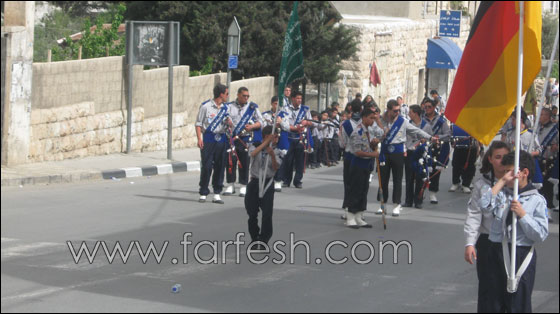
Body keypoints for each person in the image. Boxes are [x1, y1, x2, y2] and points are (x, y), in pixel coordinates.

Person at [479, 150, 548, 313]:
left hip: (521, 253)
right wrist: (501, 181)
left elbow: (540, 234)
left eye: (510, 172)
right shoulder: (502, 194)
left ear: (524, 173)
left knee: (518, 304)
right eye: (504, 172)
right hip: (497, 250)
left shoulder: (536, 200)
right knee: (492, 302)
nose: (506, 175)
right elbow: (484, 206)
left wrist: (523, 215)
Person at [464, 141, 511, 313]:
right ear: (490, 159)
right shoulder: (481, 184)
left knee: (512, 291)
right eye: (497, 157)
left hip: (511, 242)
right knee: (489, 291)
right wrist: (469, 243)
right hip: (488, 241)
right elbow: (474, 214)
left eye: (505, 157)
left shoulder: (517, 183)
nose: (501, 161)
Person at [377, 99, 432, 216]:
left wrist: (430, 137)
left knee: (397, 179)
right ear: (388, 110)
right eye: (395, 110)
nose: (397, 112)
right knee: (383, 180)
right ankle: (382, 204)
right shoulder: (381, 120)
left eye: (399, 110)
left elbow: (416, 130)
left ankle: (396, 205)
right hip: (384, 152)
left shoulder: (403, 121)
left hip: (397, 152)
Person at [245, 125, 286, 250]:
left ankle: (264, 239)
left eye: (277, 137)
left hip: (268, 183)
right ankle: (254, 237)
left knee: (267, 213)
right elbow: (252, 154)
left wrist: (272, 155)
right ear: (266, 137)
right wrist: (265, 144)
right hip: (255, 182)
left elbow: (276, 167)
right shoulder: (255, 144)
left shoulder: (278, 151)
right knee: (252, 213)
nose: (276, 139)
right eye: (274, 137)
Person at [224, 87, 264, 197]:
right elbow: (223, 118)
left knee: (244, 162)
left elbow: (261, 122)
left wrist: (252, 126)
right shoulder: (229, 106)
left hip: (245, 138)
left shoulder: (252, 107)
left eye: (247, 96)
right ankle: (230, 184)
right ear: (238, 95)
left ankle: (243, 185)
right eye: (244, 96)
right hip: (232, 138)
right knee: (230, 161)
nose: (246, 98)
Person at [345, 108, 381, 228]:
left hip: (367, 164)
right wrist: (373, 154)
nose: (372, 120)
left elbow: (367, 146)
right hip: (358, 164)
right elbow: (357, 152)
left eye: (373, 118)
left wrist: (374, 144)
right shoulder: (358, 131)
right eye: (371, 118)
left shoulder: (369, 130)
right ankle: (350, 217)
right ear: (364, 117)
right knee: (355, 190)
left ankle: (359, 215)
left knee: (363, 191)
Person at [195, 84, 230, 204]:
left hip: (222, 138)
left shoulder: (226, 108)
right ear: (221, 94)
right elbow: (199, 124)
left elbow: (231, 124)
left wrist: (230, 123)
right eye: (226, 93)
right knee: (207, 166)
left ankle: (217, 193)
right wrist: (199, 139)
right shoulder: (205, 106)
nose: (227, 96)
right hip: (209, 138)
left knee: (220, 166)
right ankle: (203, 192)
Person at [280, 91, 313, 189]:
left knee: (300, 160)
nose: (299, 100)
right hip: (289, 136)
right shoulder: (285, 108)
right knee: (288, 160)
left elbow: (311, 122)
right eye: (297, 98)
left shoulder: (305, 109)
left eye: (300, 98)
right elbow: (282, 121)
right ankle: (286, 180)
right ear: (293, 98)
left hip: (300, 138)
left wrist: (306, 122)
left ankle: (298, 181)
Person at [423, 99, 452, 204]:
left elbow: (448, 134)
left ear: (434, 107)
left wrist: (437, 137)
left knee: (435, 171)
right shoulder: (422, 119)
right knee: (422, 171)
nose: (427, 109)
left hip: (436, 149)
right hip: (425, 147)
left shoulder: (441, 121)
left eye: (429, 107)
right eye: (425, 107)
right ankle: (420, 191)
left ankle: (432, 193)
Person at [404, 105, 432, 209]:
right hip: (410, 152)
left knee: (420, 177)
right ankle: (408, 200)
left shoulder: (426, 126)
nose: (408, 114)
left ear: (415, 113)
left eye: (410, 112)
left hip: (420, 153)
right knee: (409, 178)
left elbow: (431, 139)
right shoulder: (407, 124)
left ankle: (418, 200)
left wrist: (426, 141)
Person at [339, 99, 363, 219]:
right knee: (360, 184)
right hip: (362, 156)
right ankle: (359, 211)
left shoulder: (344, 124)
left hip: (349, 155)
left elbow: (341, 144)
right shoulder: (365, 123)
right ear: (361, 109)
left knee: (348, 183)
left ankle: (347, 208)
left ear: (350, 109)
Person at [537, 108, 559, 215]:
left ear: (547, 116)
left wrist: (556, 147)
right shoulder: (537, 127)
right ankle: (540, 208)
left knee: (548, 186)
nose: (539, 116)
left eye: (541, 115)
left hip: (549, 161)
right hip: (538, 159)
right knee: (538, 185)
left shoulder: (555, 129)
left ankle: (549, 209)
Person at [449, 125, 479, 194]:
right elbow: (451, 134)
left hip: (471, 147)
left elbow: (479, 136)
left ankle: (466, 184)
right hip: (458, 147)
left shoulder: (475, 122)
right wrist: (452, 142)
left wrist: (478, 148)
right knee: (456, 165)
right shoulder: (456, 123)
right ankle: (455, 183)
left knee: (470, 166)